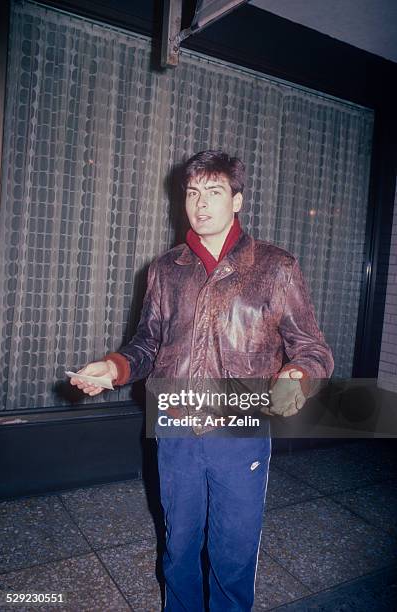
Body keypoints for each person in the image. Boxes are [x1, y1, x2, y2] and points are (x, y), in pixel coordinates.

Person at [70, 150, 334, 611]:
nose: (201, 203)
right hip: (175, 423)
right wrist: (114, 368)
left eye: (214, 192)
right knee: (179, 546)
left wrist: (297, 374)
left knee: (233, 552)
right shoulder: (165, 270)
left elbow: (312, 348)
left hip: (240, 426)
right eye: (193, 192)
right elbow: (147, 344)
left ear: (237, 200)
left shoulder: (275, 267)